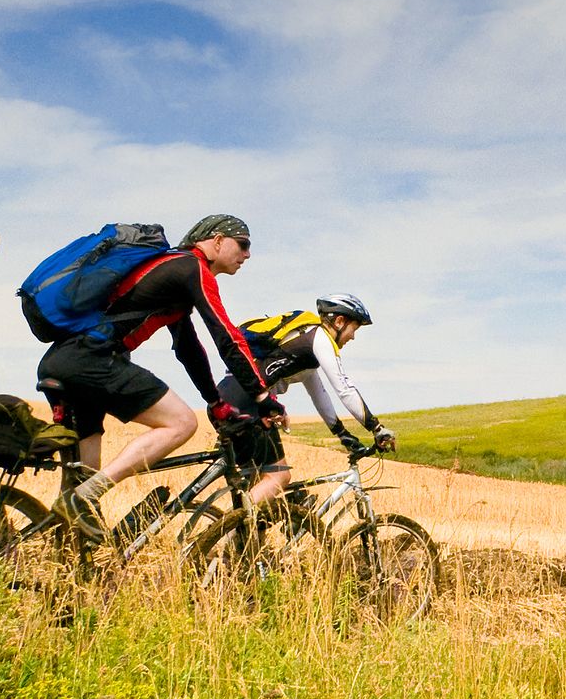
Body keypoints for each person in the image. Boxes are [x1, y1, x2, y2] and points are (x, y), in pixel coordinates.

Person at [34, 212, 279, 522]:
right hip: (92, 359)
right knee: (181, 424)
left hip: (66, 360)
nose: (247, 254)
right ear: (217, 241)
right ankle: (85, 497)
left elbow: (189, 348)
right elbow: (227, 337)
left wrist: (215, 402)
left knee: (83, 478)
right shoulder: (192, 267)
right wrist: (261, 397)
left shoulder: (171, 270)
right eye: (242, 245)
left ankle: (69, 541)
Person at [223, 293, 396, 506]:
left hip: (233, 395)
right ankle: (229, 528)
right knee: (279, 477)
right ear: (340, 321)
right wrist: (377, 428)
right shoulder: (320, 339)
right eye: (354, 329)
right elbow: (344, 389)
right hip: (248, 402)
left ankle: (243, 536)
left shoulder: (304, 342)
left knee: (259, 482)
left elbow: (318, 393)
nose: (353, 337)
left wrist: (341, 433)